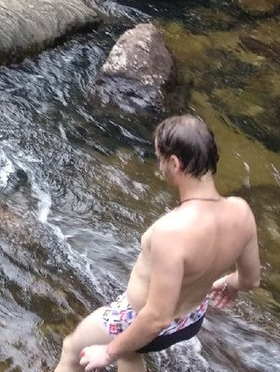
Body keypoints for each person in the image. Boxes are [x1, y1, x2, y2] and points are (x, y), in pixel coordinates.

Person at [52, 114, 261, 372]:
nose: (159, 167)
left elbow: (156, 318)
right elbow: (251, 280)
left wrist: (107, 352)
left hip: (141, 321)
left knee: (73, 348)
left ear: (174, 163)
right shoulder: (242, 211)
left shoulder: (171, 231)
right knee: (130, 353)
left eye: (160, 159)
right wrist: (228, 283)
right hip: (191, 319)